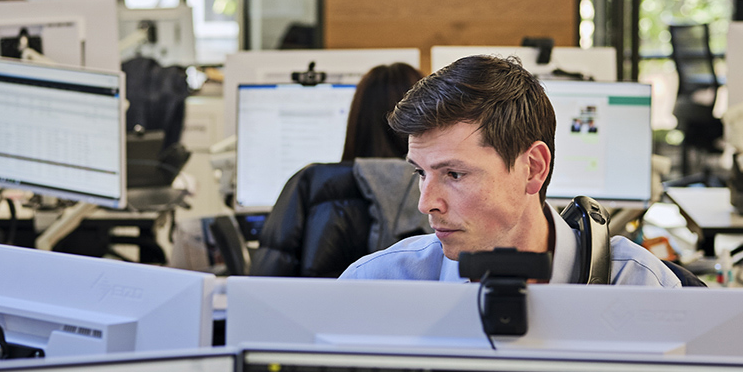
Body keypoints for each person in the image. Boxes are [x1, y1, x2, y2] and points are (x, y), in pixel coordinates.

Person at [341, 54, 679, 285]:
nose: (426, 203)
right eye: (421, 174)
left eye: (454, 174)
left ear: (533, 169)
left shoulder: (637, 284)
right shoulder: (376, 285)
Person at [249, 62, 426, 277]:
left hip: (315, 310)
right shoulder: (438, 189)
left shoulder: (310, 183)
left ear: (356, 120)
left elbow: (264, 284)